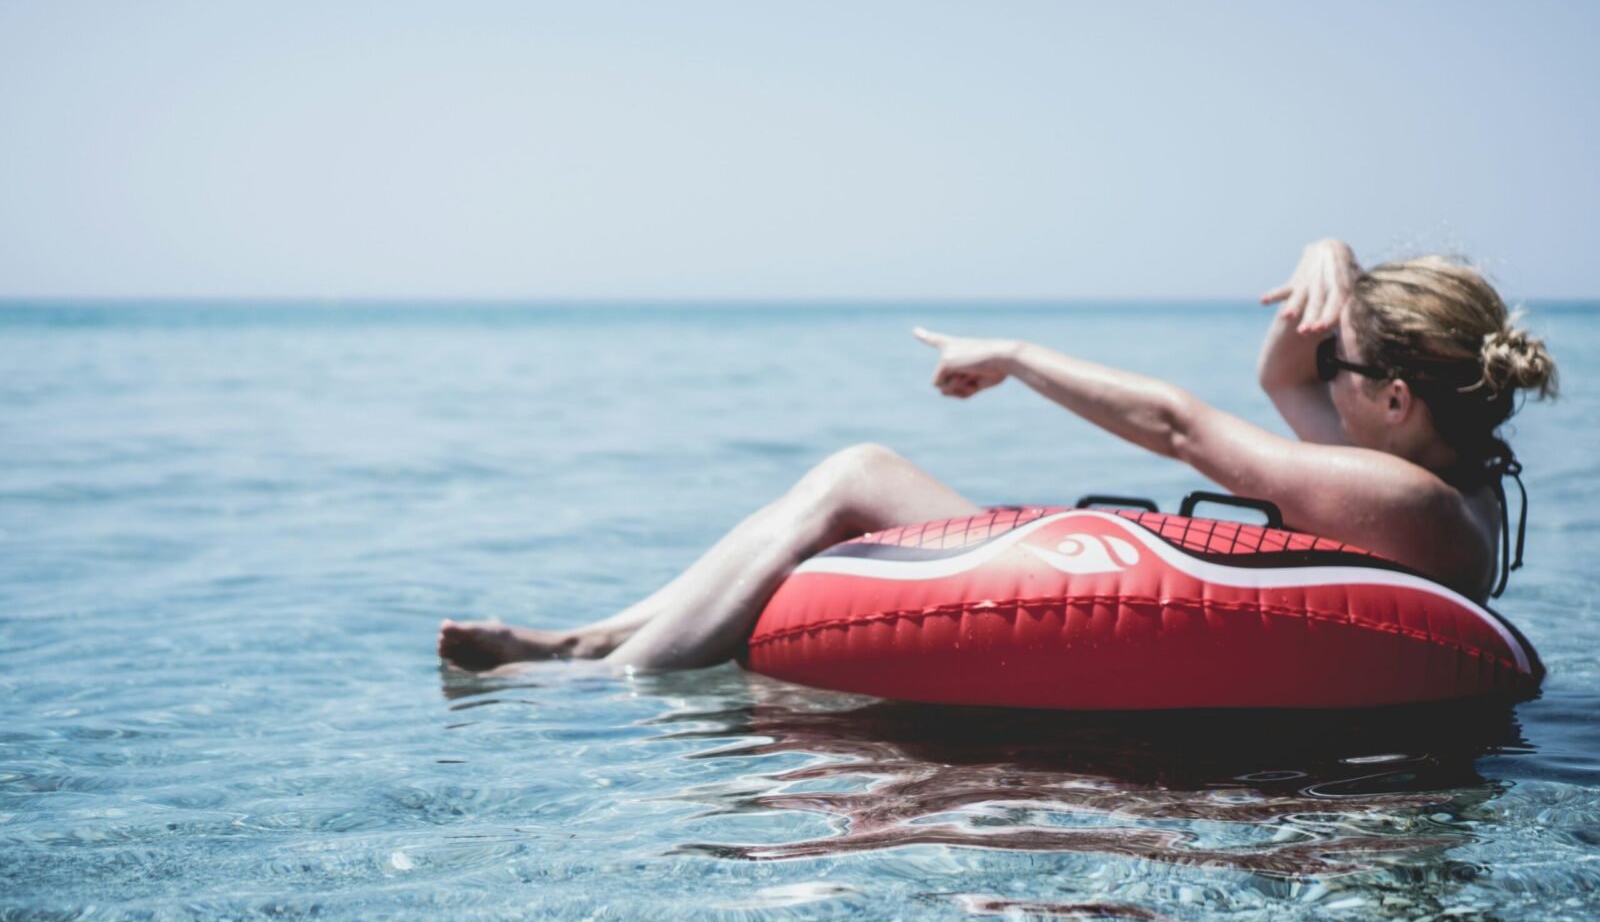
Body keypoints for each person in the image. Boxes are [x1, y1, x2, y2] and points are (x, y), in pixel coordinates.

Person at [438, 239, 1558, 676]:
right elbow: (1279, 373)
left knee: (850, 474)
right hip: (1245, 636)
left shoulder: (1395, 495)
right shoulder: (1446, 483)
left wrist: (1016, 353)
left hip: (1182, 637)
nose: (1318, 378)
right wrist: (1335, 258)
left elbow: (1182, 424)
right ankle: (594, 632)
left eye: (1342, 369)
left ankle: (605, 675)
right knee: (859, 470)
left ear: (1396, 398)